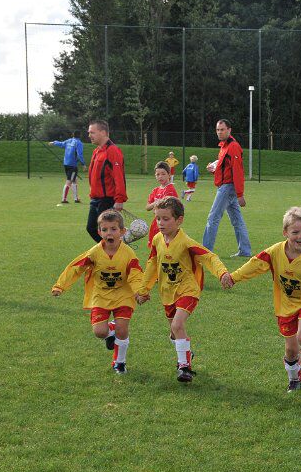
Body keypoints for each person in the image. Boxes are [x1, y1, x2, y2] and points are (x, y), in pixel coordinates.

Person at [136, 196, 233, 383]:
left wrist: (222, 273)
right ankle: (186, 353)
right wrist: (143, 289)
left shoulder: (186, 243)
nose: (160, 223)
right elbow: (151, 265)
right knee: (174, 332)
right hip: (167, 292)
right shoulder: (157, 240)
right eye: (158, 218)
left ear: (179, 220)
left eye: (166, 219)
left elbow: (210, 257)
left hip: (188, 290)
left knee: (177, 325)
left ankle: (184, 368)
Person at [229, 206, 301, 393]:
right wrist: (234, 277)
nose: (300, 236)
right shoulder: (274, 252)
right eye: (295, 232)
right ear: (285, 232)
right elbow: (255, 264)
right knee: (291, 350)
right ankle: (294, 379)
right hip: (286, 305)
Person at [51, 209, 143, 374]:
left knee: (122, 329)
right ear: (99, 232)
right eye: (105, 229)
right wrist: (60, 286)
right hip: (100, 296)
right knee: (100, 332)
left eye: (114, 229)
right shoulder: (94, 253)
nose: (109, 233)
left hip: (123, 295)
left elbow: (135, 274)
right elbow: (76, 267)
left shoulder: (128, 254)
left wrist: (139, 292)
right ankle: (111, 329)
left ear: (123, 231)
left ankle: (119, 362)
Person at [202, 119, 251, 258]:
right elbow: (225, 168)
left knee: (213, 218)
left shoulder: (233, 146)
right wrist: (213, 169)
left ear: (229, 130)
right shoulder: (224, 146)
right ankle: (245, 251)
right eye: (218, 130)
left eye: (222, 129)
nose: (219, 132)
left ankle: (205, 251)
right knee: (237, 220)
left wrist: (240, 194)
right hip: (227, 187)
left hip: (228, 188)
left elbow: (237, 170)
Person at [86, 120, 127, 243]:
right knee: (92, 228)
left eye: (92, 132)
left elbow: (119, 176)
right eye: (89, 132)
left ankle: (117, 250)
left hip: (107, 199)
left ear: (103, 132)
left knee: (105, 231)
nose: (89, 135)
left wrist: (119, 199)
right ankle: (113, 249)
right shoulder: (96, 151)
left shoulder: (113, 150)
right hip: (95, 199)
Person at [145, 161, 178, 244]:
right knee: (154, 247)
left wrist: (157, 205)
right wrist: (155, 203)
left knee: (165, 247)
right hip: (156, 223)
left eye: (163, 174)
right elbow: (147, 207)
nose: (160, 176)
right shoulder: (155, 190)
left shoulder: (170, 190)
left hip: (167, 224)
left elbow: (171, 209)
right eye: (158, 174)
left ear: (169, 175)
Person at [49, 134, 86, 203]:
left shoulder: (69, 141)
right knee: (69, 181)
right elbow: (79, 154)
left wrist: (54, 142)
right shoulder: (79, 143)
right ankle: (64, 199)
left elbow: (61, 144)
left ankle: (76, 198)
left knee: (74, 180)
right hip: (73, 165)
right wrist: (83, 164)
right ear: (80, 136)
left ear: (73, 135)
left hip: (66, 164)